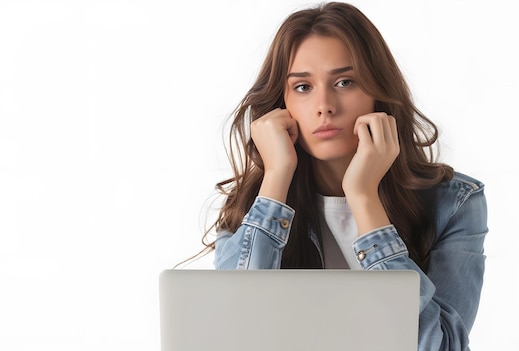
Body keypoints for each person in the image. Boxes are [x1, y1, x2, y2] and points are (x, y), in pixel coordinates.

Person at [203, 2, 488, 350]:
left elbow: (438, 347)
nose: (325, 105)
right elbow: (232, 333)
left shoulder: (454, 203)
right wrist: (277, 174)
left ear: (378, 95)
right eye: (303, 87)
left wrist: (363, 196)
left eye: (345, 81)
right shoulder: (255, 203)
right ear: (281, 104)